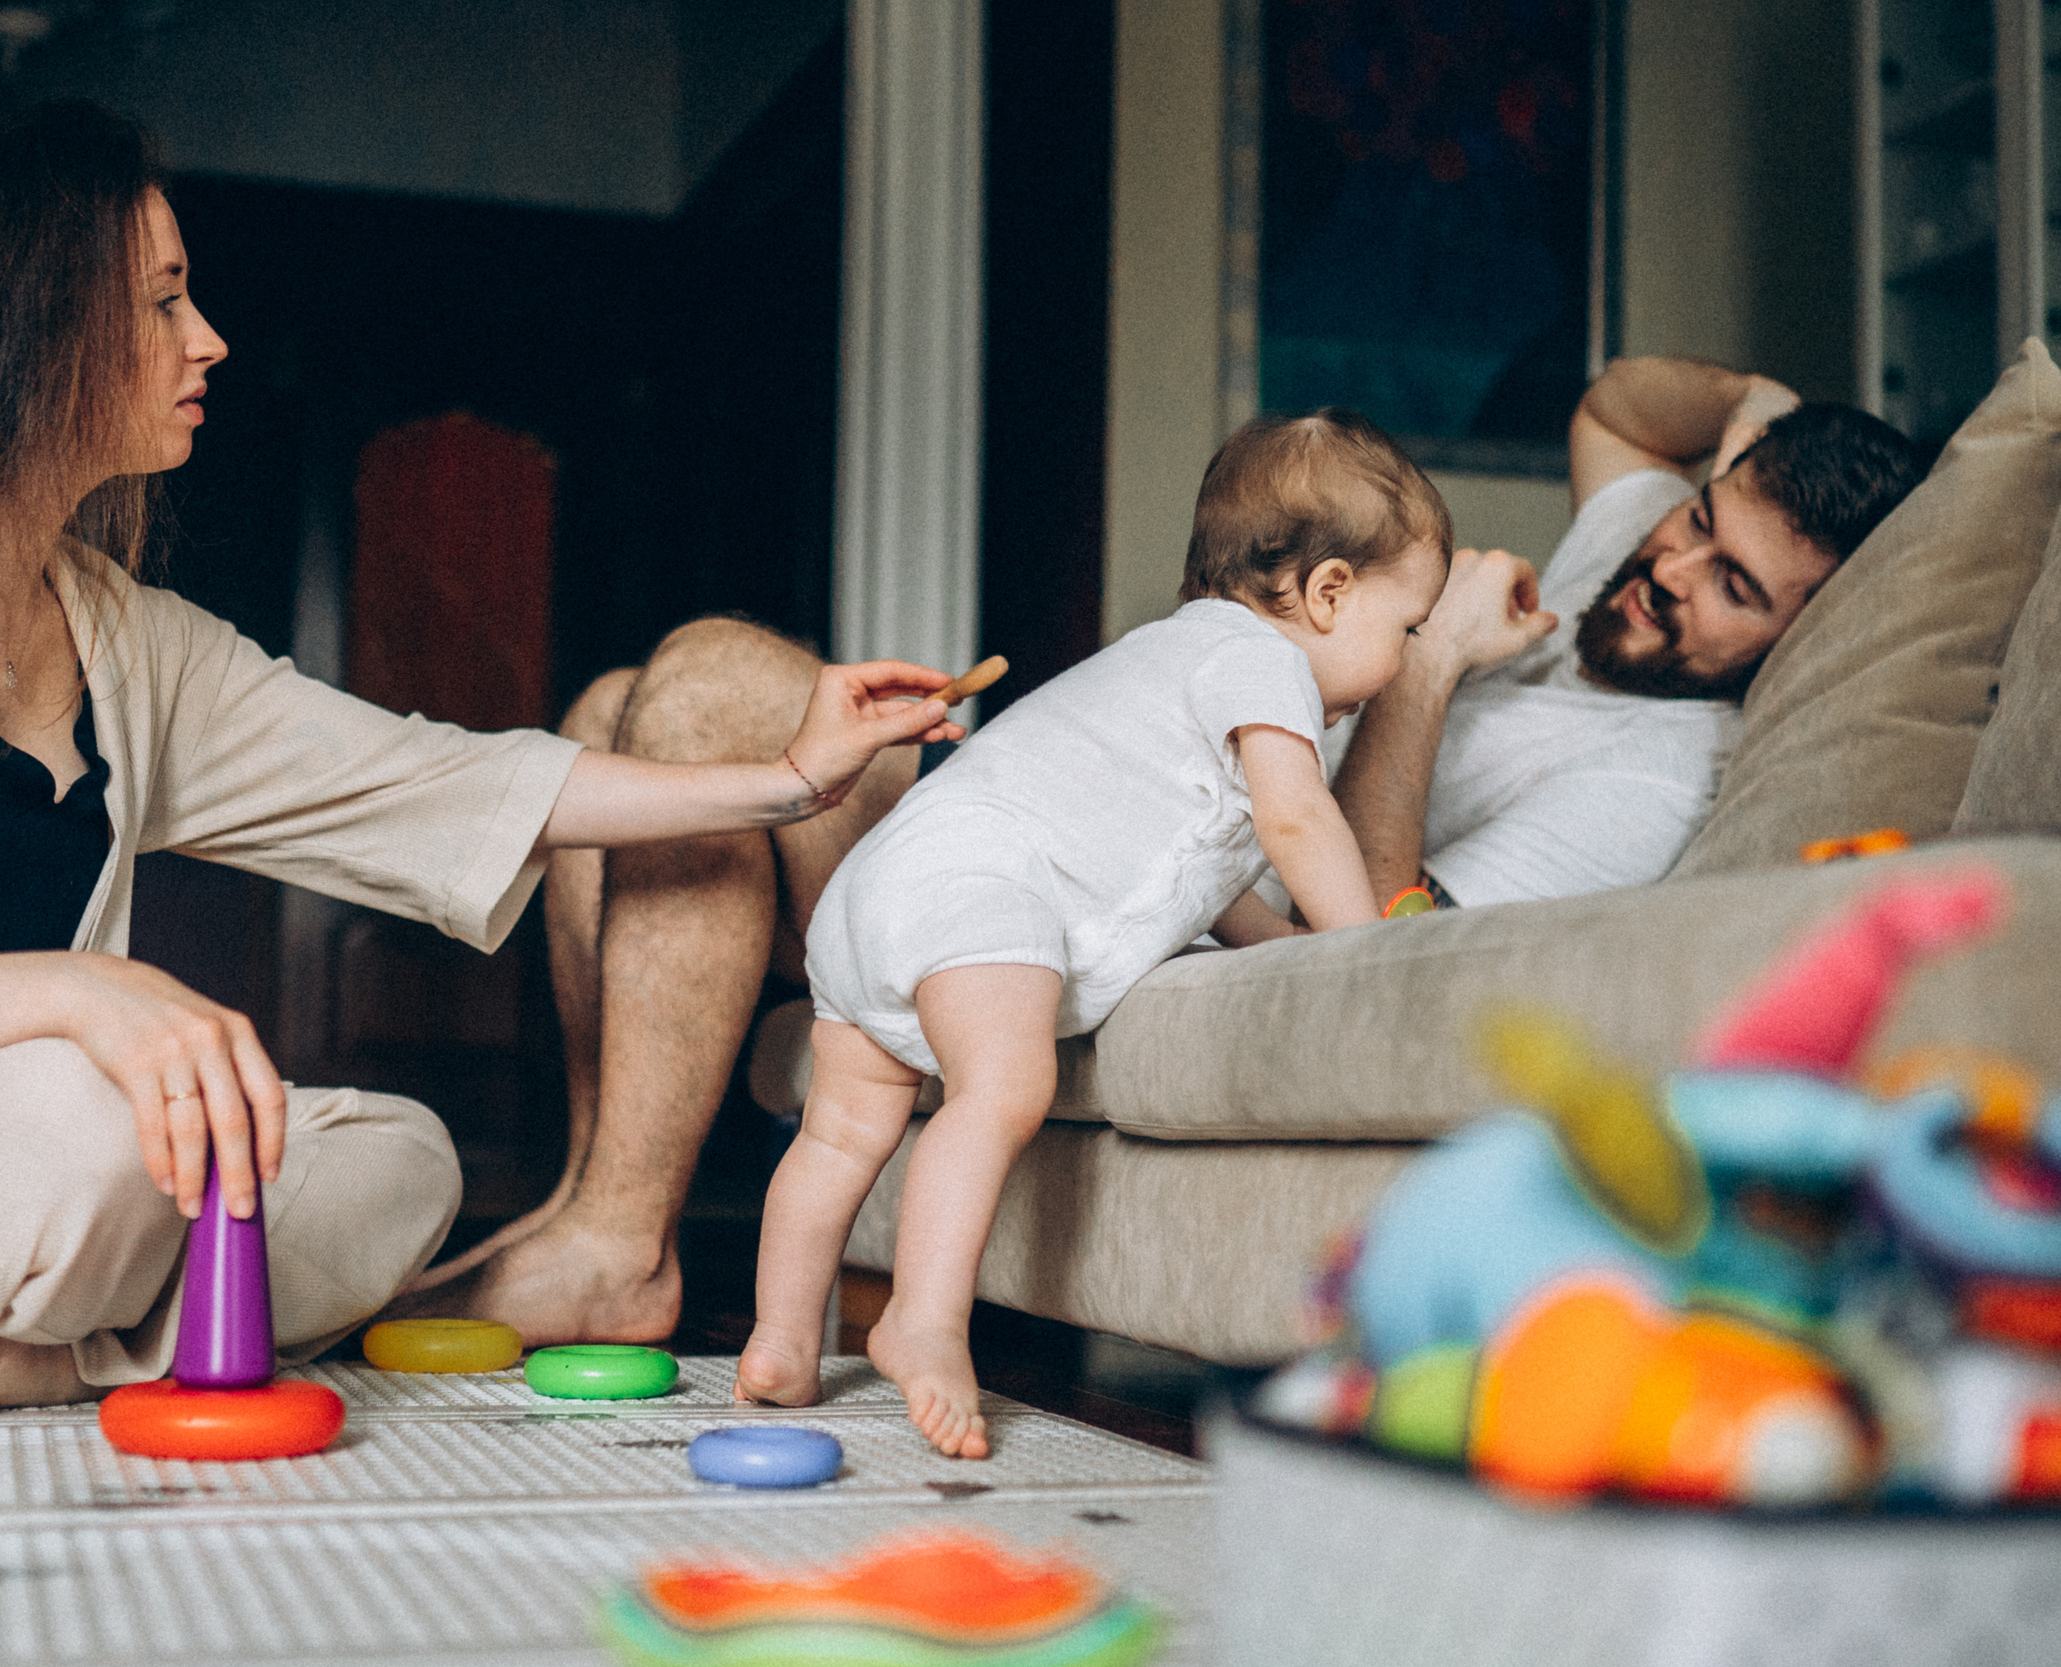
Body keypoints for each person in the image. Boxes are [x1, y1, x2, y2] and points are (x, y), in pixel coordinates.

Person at [0, 101, 956, 1432]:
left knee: (394, 1155)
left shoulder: (118, 635)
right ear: (29, 334)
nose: (209, 339)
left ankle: (52, 1353)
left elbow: (423, 781)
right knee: (99, 1133)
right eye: (160, 302)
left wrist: (787, 779)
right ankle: (80, 1315)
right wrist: (83, 991)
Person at [410, 356, 1926, 1350]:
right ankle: (603, 1211)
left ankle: (616, 1240)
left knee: (699, 683)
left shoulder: (1658, 775)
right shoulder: (1626, 558)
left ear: (1799, 640)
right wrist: (1751, 413)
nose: (1670, 568)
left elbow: (1391, 922)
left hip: (1098, 904)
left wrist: (1426, 670)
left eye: (1734, 585)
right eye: (1698, 523)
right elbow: (1618, 405)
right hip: (1049, 852)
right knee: (624, 706)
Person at [737, 412, 1449, 1456]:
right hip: (974, 886)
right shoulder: (1263, 664)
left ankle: (782, 1340)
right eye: (1408, 631)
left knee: (842, 1132)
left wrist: (1284, 944)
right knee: (1003, 1087)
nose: (1400, 663)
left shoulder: (1166, 663)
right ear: (1330, 592)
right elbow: (1297, 819)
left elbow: (1197, 883)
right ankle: (922, 1319)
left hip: (881, 888)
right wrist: (1361, 947)